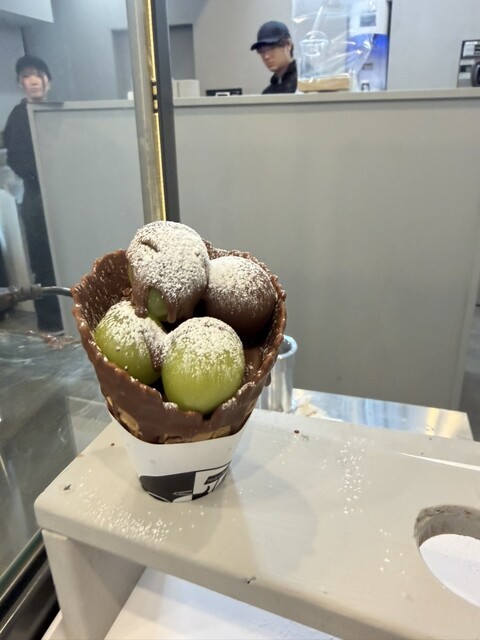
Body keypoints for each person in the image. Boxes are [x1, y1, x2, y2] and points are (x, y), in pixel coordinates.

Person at [3, 55, 63, 334]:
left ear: (48, 80)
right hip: (37, 197)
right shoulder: (19, 116)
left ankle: (74, 317)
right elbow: (17, 160)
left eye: (38, 74)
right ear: (20, 82)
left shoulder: (55, 113)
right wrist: (44, 173)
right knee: (44, 262)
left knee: (66, 256)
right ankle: (51, 324)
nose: (34, 81)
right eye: (27, 76)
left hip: (61, 193)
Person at [250, 21, 297, 94]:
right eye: (261, 51)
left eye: (271, 48)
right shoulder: (268, 92)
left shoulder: (306, 83)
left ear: (288, 45)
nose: (266, 56)